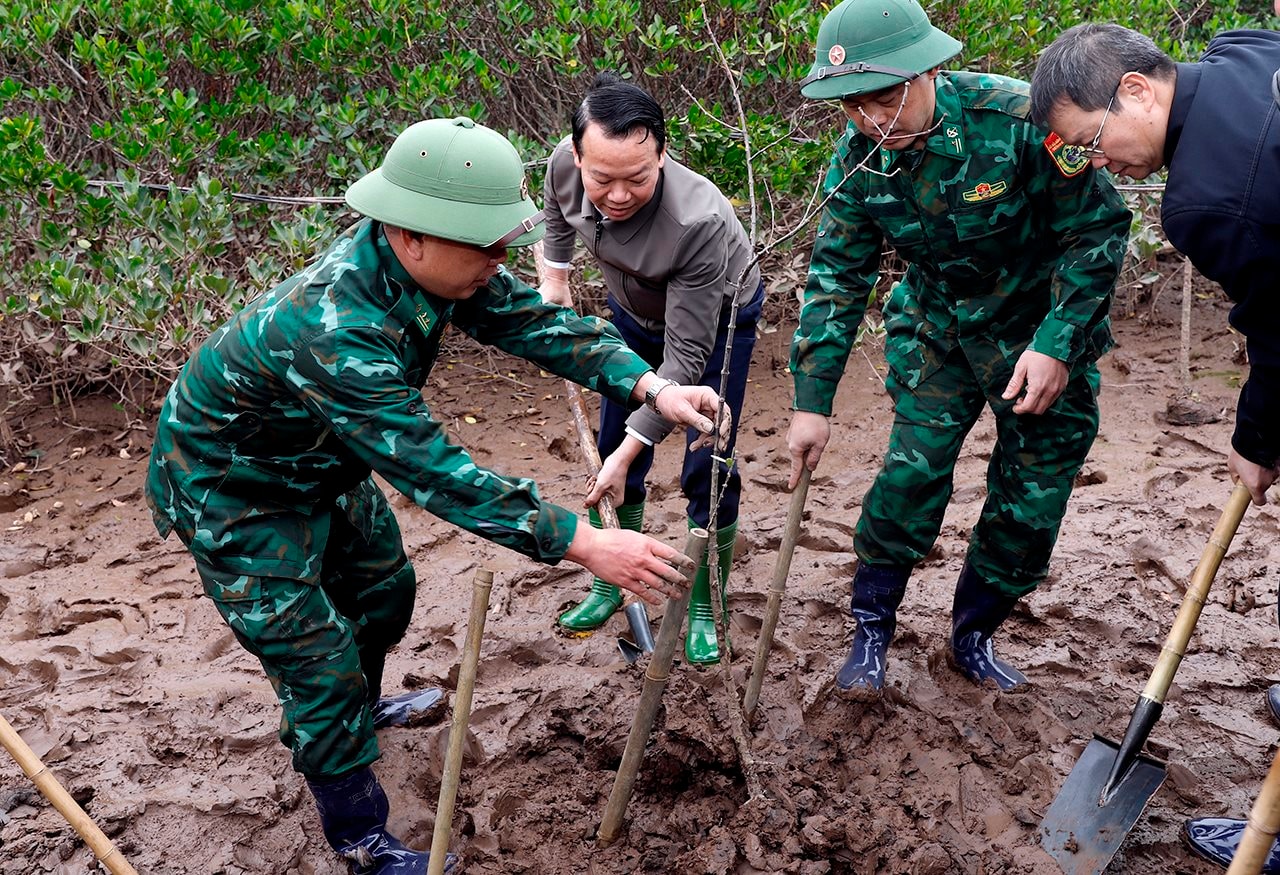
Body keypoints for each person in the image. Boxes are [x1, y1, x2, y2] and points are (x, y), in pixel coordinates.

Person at [145, 117, 731, 875]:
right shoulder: (335, 330)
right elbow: (437, 473)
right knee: (316, 662)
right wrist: (585, 542)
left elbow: (537, 323)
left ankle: (360, 710)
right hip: (233, 485)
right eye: (484, 244)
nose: (500, 258)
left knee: (385, 589)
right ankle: (361, 838)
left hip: (320, 461)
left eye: (502, 241)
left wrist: (652, 385)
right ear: (411, 234)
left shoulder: (438, 266)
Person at [786, 0, 1131, 702]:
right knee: (912, 477)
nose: (868, 121)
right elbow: (836, 277)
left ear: (928, 72)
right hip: (938, 332)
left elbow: (1098, 231)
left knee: (1030, 497)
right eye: (850, 107)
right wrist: (811, 403)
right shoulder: (860, 159)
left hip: (1038, 333)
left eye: (882, 99)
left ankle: (974, 631)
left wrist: (1058, 344)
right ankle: (871, 627)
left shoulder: (1020, 123)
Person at [1030, 17, 1280, 873]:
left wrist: (1256, 437)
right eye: (1075, 155)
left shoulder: (1207, 198)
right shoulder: (1246, 58)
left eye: (1090, 143)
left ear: (1138, 89)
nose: (1095, 164)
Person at [539, 72, 763, 665]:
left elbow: (685, 361)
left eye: (636, 179)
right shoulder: (566, 163)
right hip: (632, 308)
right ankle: (611, 581)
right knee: (614, 436)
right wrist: (555, 279)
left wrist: (632, 448)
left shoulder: (698, 221)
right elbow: (558, 213)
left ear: (662, 155)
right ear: (580, 156)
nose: (615, 195)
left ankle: (703, 602)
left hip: (715, 322)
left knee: (705, 453)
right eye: (601, 178)